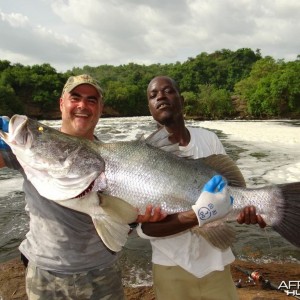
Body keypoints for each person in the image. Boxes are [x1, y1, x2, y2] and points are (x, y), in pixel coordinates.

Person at [0, 74, 163, 300]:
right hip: (45, 274)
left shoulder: (116, 156)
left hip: (102, 273)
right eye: (75, 98)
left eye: (91, 100)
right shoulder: (28, 148)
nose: (82, 106)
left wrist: (137, 217)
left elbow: (122, 217)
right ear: (62, 103)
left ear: (100, 108)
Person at [137, 76, 266, 300]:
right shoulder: (140, 153)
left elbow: (231, 192)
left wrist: (246, 211)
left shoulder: (209, 139)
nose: (160, 97)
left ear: (181, 99)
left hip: (216, 262)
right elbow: (143, 227)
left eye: (168, 91)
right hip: (170, 265)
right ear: (149, 108)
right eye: (153, 95)